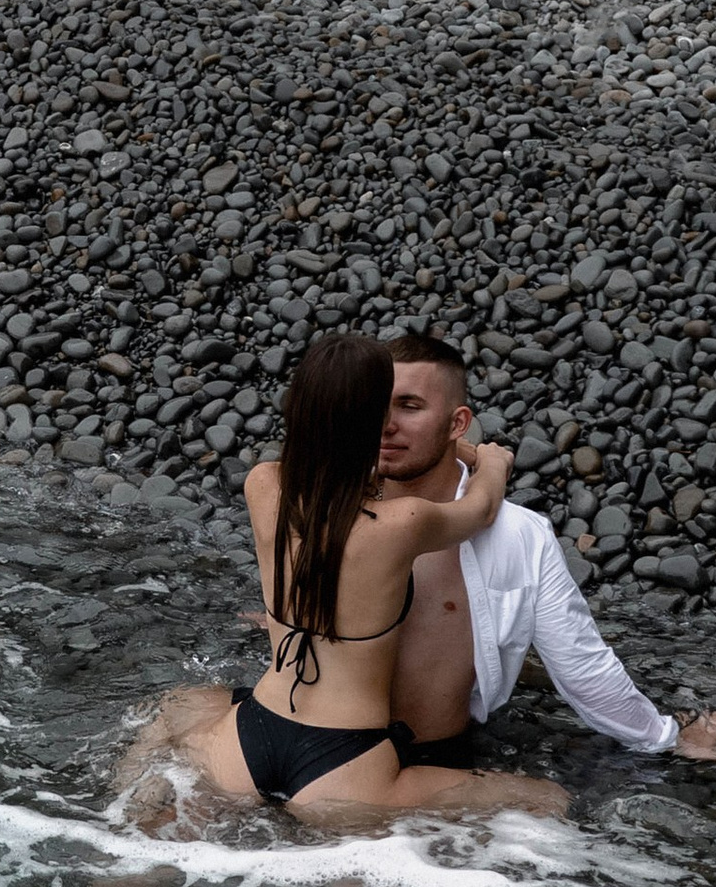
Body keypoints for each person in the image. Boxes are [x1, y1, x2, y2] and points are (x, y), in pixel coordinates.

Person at [163, 331, 571, 825]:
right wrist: (489, 460)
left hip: (251, 736)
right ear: (370, 422)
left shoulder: (263, 484)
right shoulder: (402, 524)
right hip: (345, 762)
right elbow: (481, 508)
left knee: (152, 830)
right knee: (549, 799)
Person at [377, 333, 716, 767]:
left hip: (422, 766)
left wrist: (665, 737)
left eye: (409, 407)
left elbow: (580, 663)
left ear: (456, 423)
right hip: (315, 754)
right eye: (374, 404)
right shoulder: (329, 509)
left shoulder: (517, 535)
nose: (385, 423)